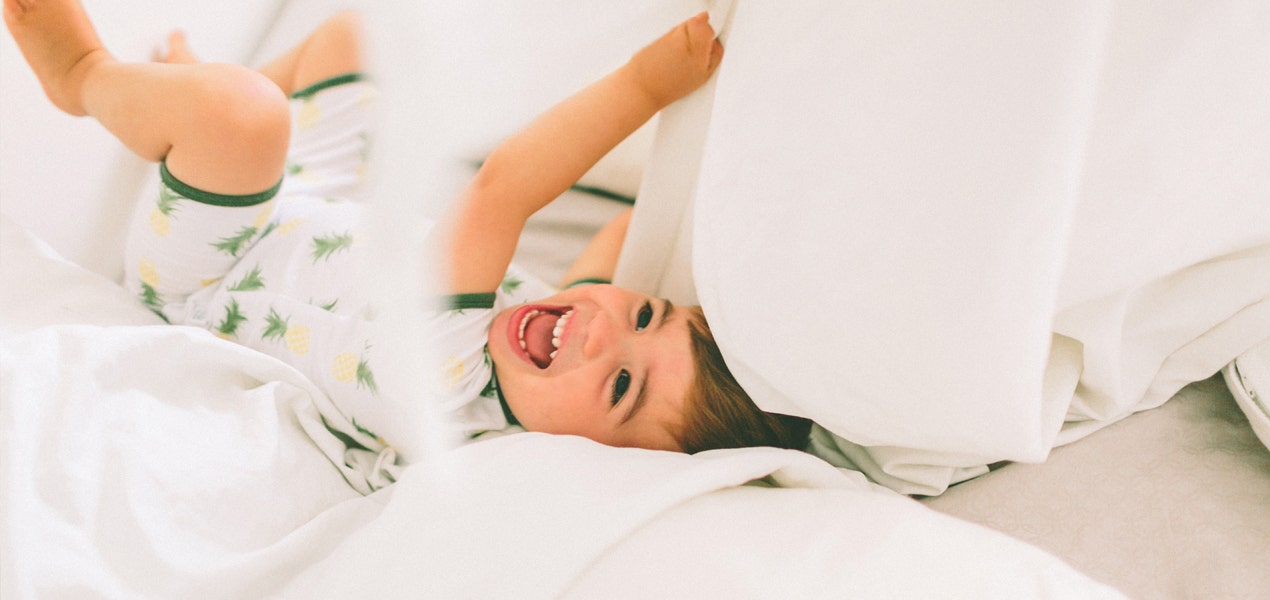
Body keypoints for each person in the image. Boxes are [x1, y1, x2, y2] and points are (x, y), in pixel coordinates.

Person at [4, 0, 811, 464]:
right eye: (645, 314)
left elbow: (506, 187)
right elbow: (608, 257)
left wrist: (646, 84)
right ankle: (187, 100)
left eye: (622, 387)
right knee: (353, 35)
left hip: (213, 266)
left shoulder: (454, 378)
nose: (602, 333)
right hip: (320, 203)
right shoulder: (545, 356)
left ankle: (86, 78)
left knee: (239, 116)